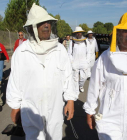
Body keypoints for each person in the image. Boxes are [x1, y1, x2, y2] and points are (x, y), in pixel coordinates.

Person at [6, 3, 77, 140]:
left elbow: (68, 76)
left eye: (48, 22)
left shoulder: (60, 50)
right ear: (32, 28)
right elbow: (15, 81)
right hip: (31, 108)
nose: (46, 25)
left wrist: (70, 99)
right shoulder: (21, 52)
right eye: (41, 23)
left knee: (54, 136)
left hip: (55, 106)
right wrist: (15, 106)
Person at [83, 12, 127, 140]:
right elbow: (94, 86)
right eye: (125, 30)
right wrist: (90, 110)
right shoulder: (105, 58)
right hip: (109, 118)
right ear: (118, 33)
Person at [68, 26, 90, 93]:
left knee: (84, 77)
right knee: (75, 77)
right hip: (75, 62)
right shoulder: (72, 42)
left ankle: (81, 86)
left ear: (81, 33)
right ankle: (76, 89)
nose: (79, 34)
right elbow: (69, 53)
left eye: (80, 33)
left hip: (84, 62)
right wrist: (72, 62)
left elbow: (88, 52)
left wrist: (87, 61)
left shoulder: (86, 41)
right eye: (77, 33)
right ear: (75, 34)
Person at [0, 43, 9, 111]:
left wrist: (7, 57)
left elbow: (4, 51)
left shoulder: (1, 45)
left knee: (0, 70)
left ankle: (0, 80)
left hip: (0, 59)